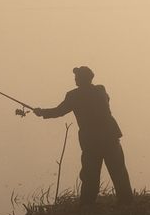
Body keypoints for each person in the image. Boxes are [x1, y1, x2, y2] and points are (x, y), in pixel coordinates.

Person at [34, 66, 133, 205]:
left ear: (81, 79)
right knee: (118, 170)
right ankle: (127, 201)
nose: (75, 79)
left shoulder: (73, 96)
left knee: (90, 173)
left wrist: (41, 112)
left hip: (91, 139)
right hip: (110, 136)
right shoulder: (100, 90)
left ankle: (87, 204)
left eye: (77, 76)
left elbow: (59, 111)